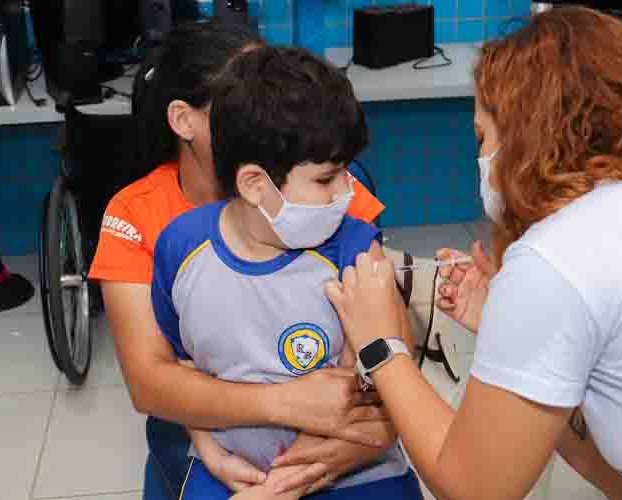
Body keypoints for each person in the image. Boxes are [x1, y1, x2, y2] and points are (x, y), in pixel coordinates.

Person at [277, 7, 622, 500]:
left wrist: (382, 346)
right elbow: (620, 479)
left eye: (482, 137)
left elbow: (477, 487)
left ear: (526, 139)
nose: (481, 159)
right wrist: (517, 345)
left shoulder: (560, 254)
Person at [88, 20, 398, 500]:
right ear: (183, 119)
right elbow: (153, 380)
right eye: (238, 96)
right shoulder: (149, 221)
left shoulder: (326, 188)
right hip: (214, 429)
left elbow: (389, 345)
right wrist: (276, 409)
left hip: (334, 433)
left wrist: (367, 433)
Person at [151, 45, 423, 500]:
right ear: (255, 184)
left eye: (347, 172)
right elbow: (185, 370)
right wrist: (208, 451)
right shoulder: (181, 248)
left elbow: (381, 389)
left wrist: (282, 485)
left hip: (351, 466)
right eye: (326, 178)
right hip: (229, 469)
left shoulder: (356, 251)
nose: (347, 191)